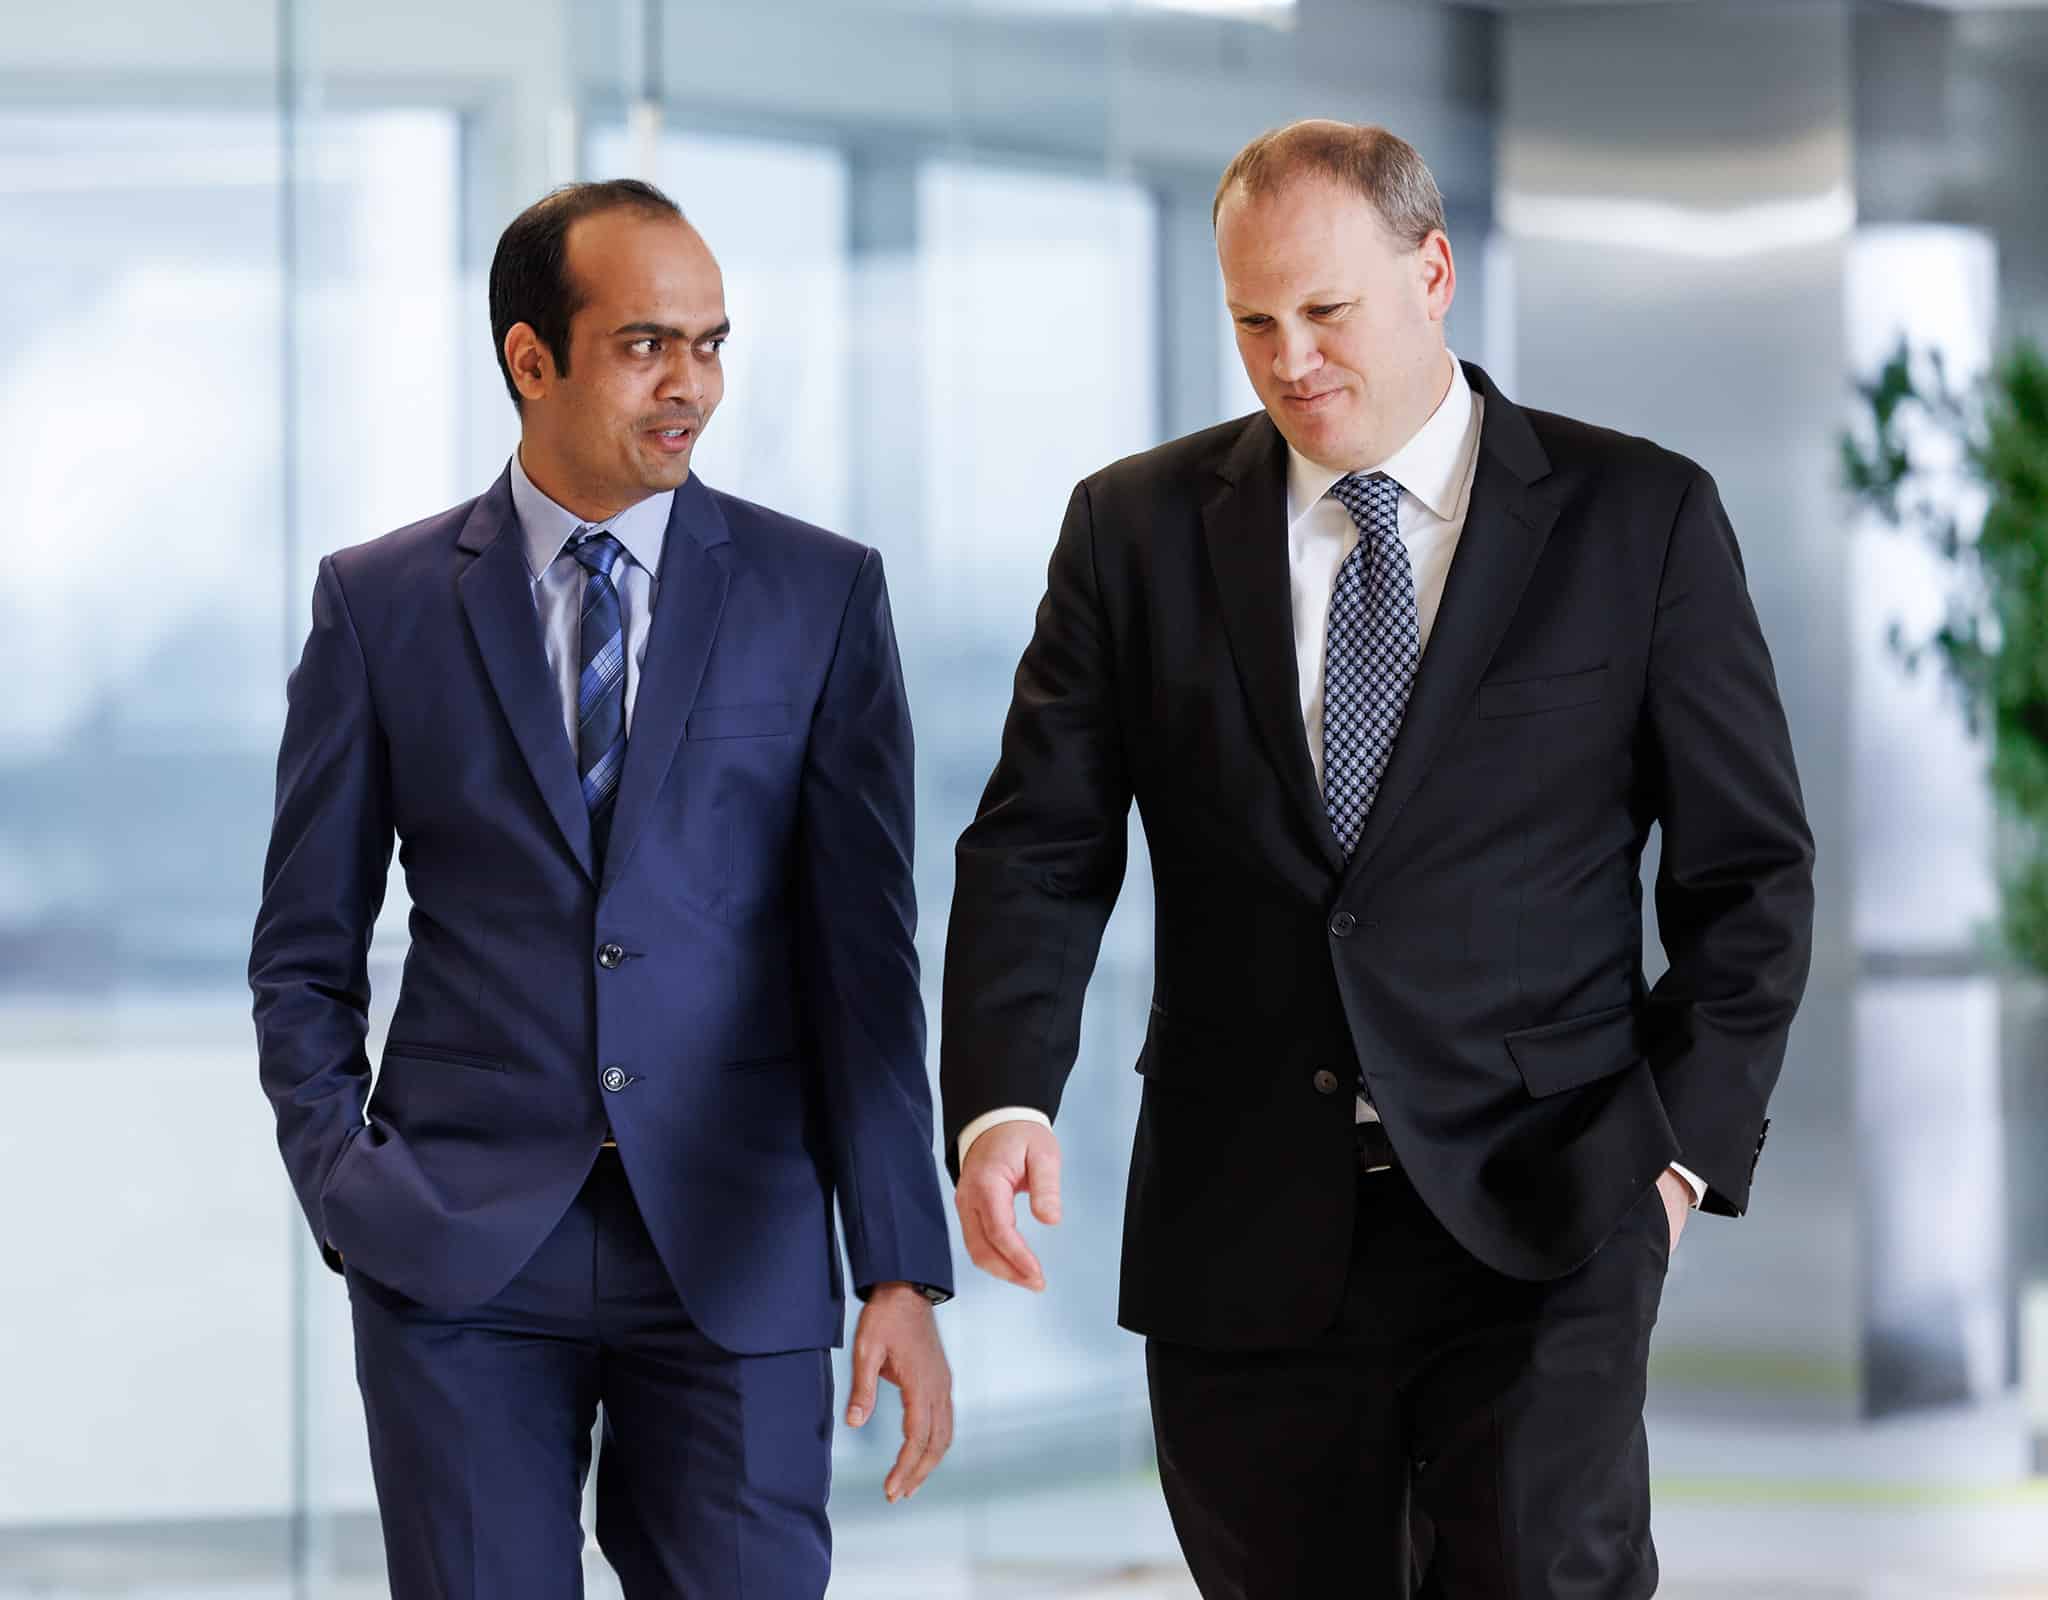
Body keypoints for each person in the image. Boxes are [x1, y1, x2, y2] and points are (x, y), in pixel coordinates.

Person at [941, 120, 1814, 1597]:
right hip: (1242, 1223)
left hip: (1548, 1210)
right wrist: (1004, 1094)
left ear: (1433, 274)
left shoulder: (1636, 517)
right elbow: (1041, 839)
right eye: (1253, 322)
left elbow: (1749, 880)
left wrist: (1669, 1165)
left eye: (1326, 312)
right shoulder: (1132, 530)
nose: (1290, 360)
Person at [250, 178, 954, 1600]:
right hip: (457, 1255)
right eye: (647, 345)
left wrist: (898, 1265)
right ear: (531, 358)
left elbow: (864, 963)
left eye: (711, 343)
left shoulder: (820, 597)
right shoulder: (378, 606)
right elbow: (304, 953)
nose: (690, 384)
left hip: (737, 1248)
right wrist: (348, 1189)